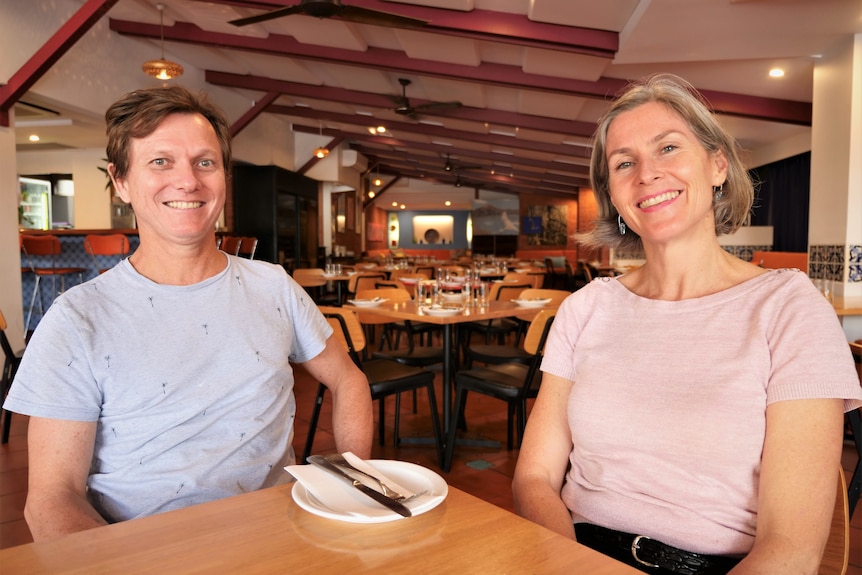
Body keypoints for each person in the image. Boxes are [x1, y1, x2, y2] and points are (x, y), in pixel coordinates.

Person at [512, 74, 862, 575]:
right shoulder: (585, 309)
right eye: (624, 163)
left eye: (668, 148)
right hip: (571, 551)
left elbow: (791, 550)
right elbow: (535, 477)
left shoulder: (789, 309)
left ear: (718, 164)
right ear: (612, 194)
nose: (646, 174)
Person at [4, 86, 373, 541]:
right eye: (160, 161)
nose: (188, 181)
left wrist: (352, 484)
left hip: (282, 539)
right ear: (120, 181)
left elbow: (348, 378)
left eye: (205, 162)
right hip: (145, 550)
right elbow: (50, 499)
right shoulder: (77, 318)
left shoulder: (273, 285)